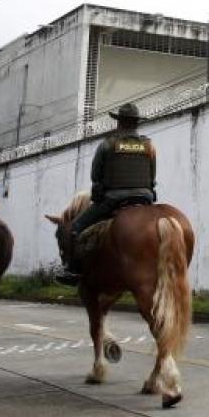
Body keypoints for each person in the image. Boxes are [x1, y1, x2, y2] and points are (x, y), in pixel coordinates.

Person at [56, 102, 156, 286]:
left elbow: (96, 177)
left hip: (114, 200)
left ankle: (71, 270)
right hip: (144, 199)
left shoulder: (107, 145)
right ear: (136, 123)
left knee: (75, 227)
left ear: (119, 123)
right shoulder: (149, 146)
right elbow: (152, 177)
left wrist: (99, 193)